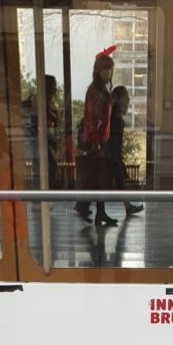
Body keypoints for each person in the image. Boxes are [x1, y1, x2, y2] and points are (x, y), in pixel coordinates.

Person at [75, 46, 117, 227]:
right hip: (96, 140)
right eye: (105, 69)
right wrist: (95, 142)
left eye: (110, 69)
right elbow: (92, 118)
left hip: (101, 139)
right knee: (97, 177)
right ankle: (89, 208)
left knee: (100, 177)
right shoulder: (95, 91)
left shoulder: (102, 88)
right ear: (98, 71)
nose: (108, 73)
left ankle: (99, 211)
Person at [106, 86, 143, 217]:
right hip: (112, 156)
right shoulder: (116, 118)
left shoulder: (114, 116)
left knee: (119, 180)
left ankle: (127, 206)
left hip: (112, 155)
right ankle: (127, 207)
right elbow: (113, 141)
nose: (128, 99)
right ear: (120, 98)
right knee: (118, 180)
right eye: (126, 96)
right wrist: (116, 158)